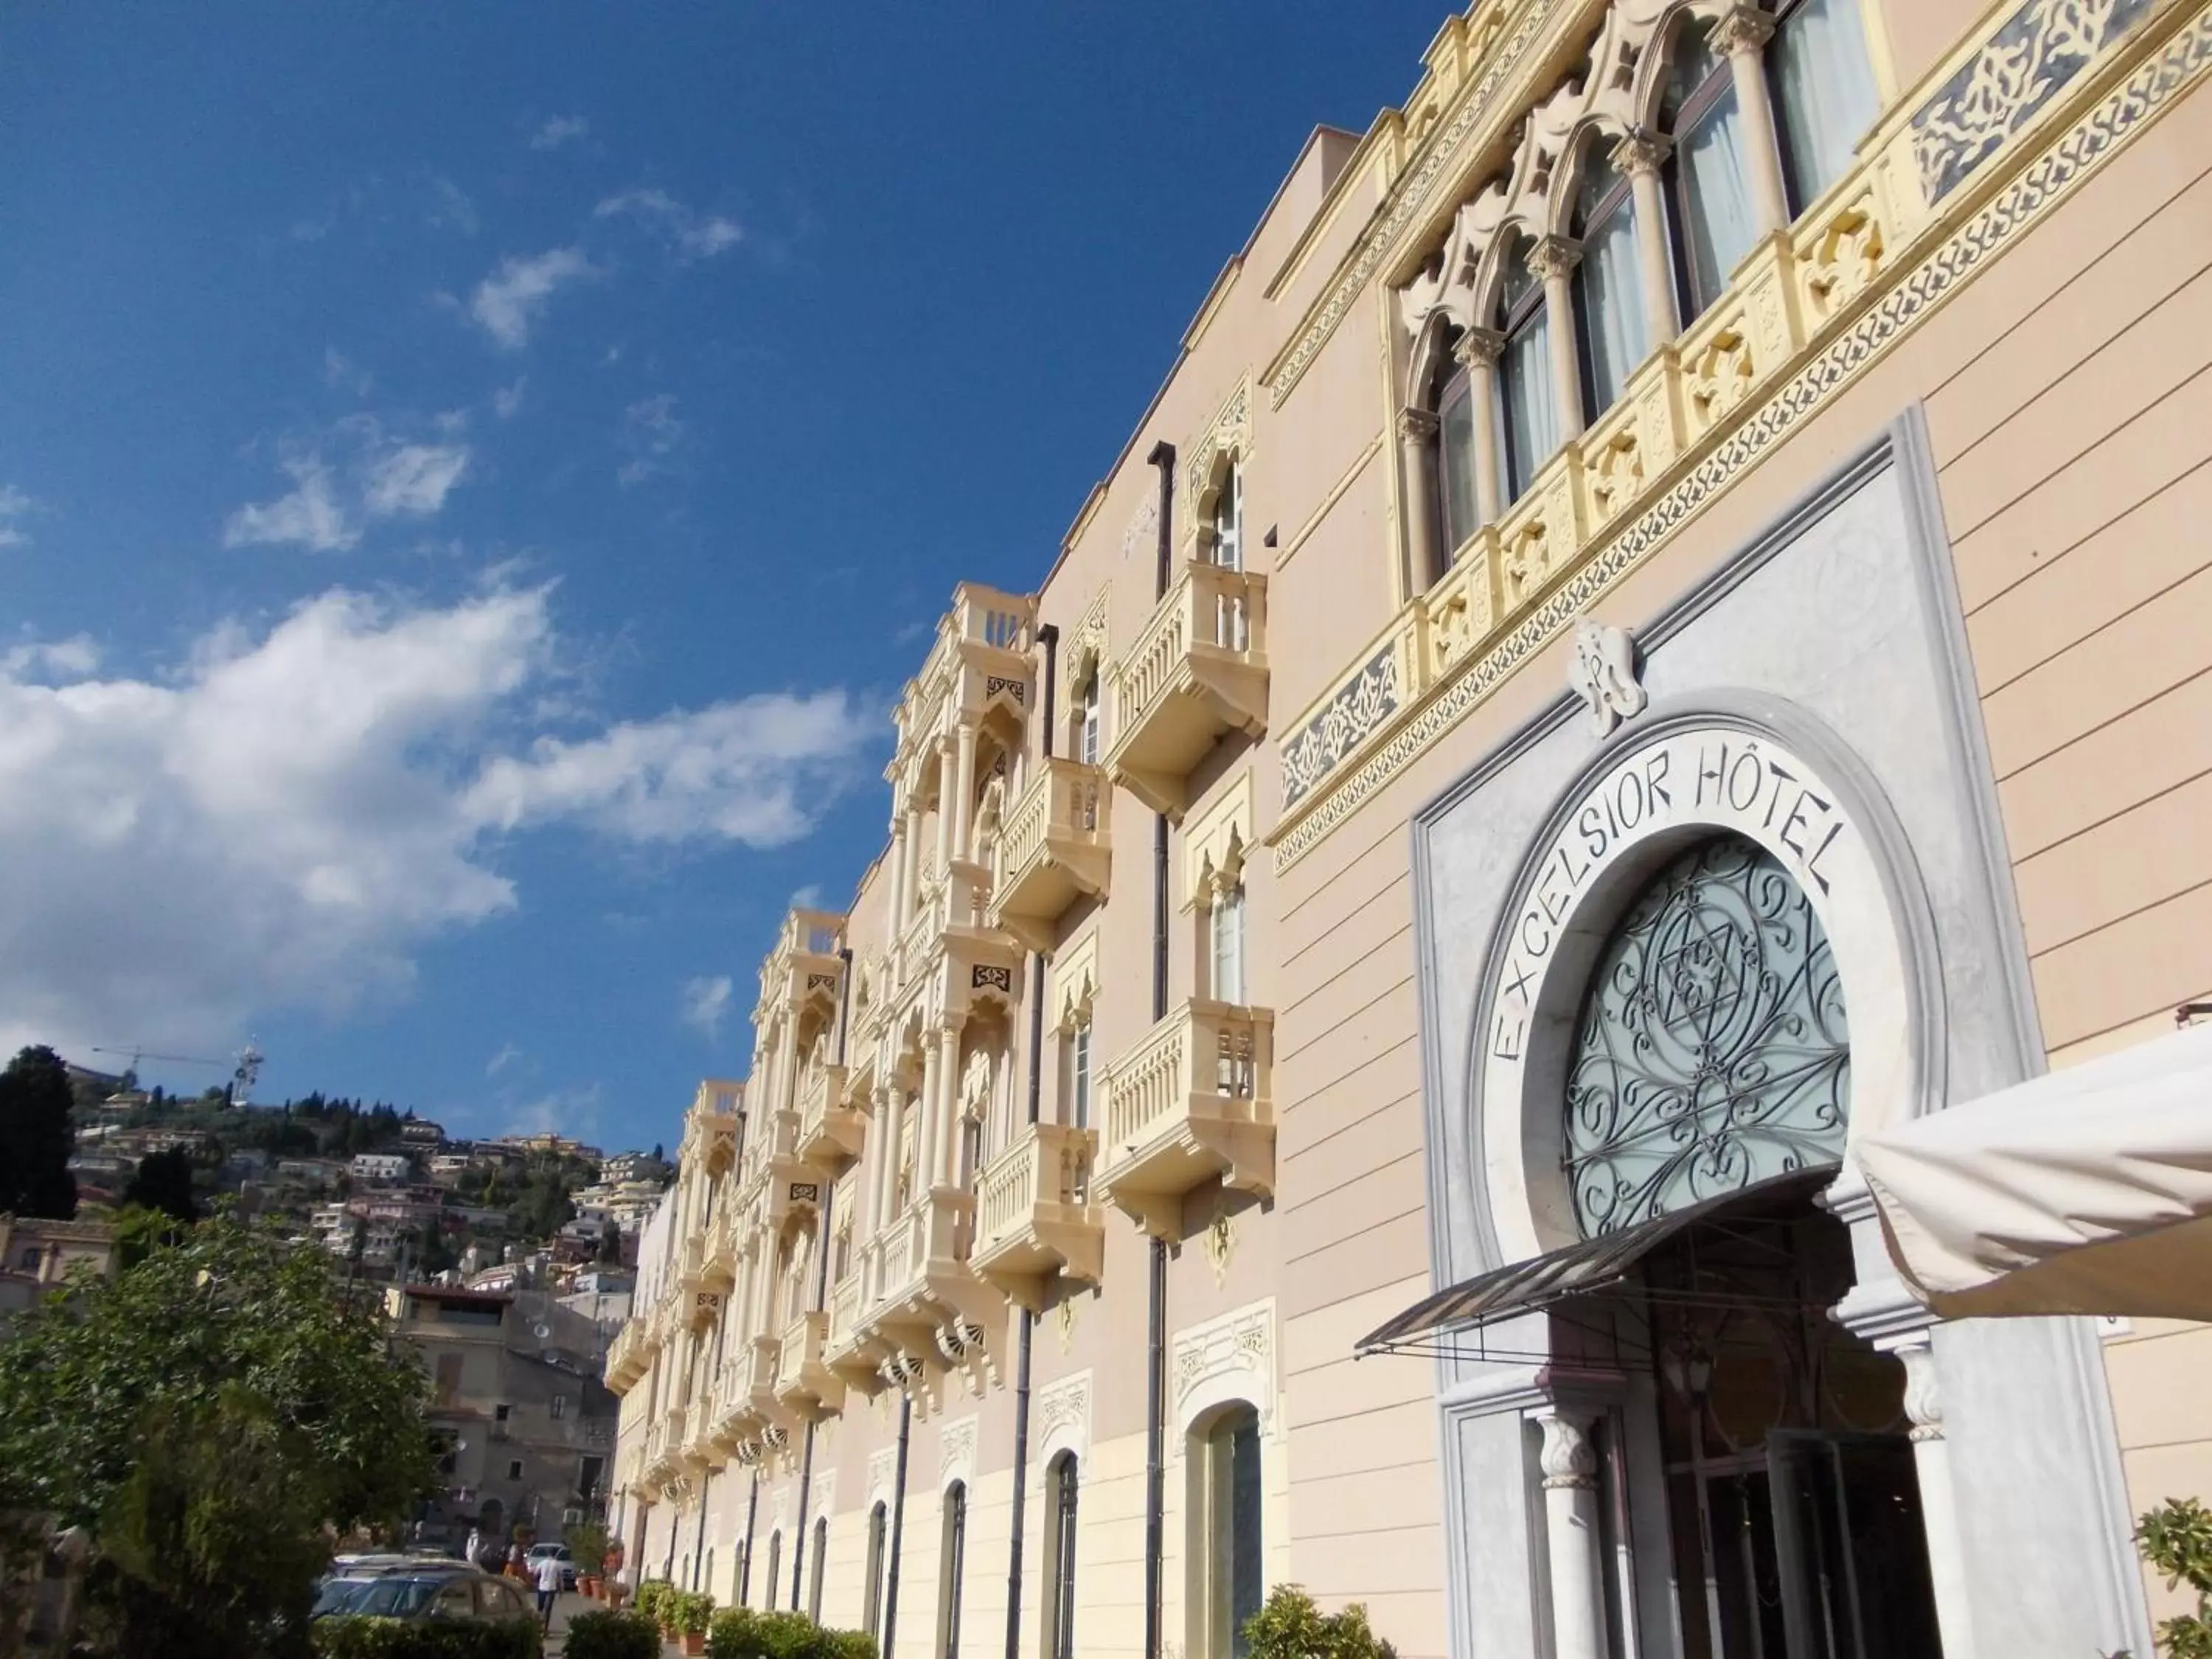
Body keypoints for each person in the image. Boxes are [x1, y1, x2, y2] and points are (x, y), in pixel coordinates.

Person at [532, 1548, 564, 1630]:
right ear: (555, 1554)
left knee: (540, 1609)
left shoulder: (542, 1563)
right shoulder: (557, 1564)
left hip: (542, 1588)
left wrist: (534, 1584)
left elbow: (535, 1574)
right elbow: (559, 1579)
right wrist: (561, 1591)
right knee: (548, 1610)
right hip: (551, 1588)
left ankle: (537, 1627)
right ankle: (545, 1629)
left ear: (548, 1554)